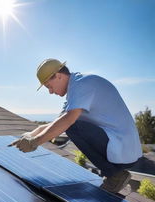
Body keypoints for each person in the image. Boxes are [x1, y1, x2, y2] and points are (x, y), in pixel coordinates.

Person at [11, 59, 142, 193]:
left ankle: (115, 176)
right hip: (122, 148)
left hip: (123, 149)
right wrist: (31, 134)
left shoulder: (83, 84)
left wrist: (35, 142)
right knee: (67, 124)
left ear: (58, 76)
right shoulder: (75, 92)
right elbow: (56, 123)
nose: (50, 92)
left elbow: (67, 121)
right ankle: (114, 173)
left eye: (49, 86)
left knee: (72, 125)